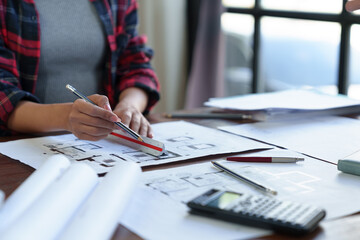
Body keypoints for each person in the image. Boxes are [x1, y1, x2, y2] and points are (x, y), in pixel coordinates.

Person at [0, 0, 160, 141]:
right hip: (26, 144)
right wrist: (65, 117)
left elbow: (136, 65)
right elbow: (3, 97)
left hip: (104, 143)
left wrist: (130, 106)